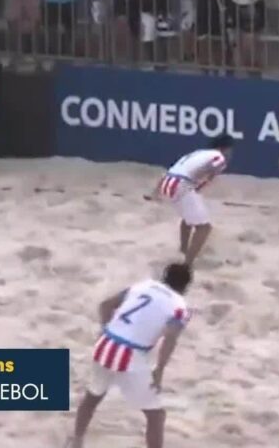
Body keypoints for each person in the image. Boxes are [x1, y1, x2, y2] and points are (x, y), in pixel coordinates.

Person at [70, 263, 193, 448]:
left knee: (93, 396)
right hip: (130, 355)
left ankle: (77, 440)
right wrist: (159, 370)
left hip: (106, 344)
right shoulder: (179, 306)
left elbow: (105, 305)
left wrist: (105, 329)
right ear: (186, 286)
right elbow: (170, 340)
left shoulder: (143, 286)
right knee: (156, 415)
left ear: (164, 276)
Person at [148, 135, 235, 264]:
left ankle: (184, 250)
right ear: (227, 148)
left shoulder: (197, 153)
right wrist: (199, 187)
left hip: (167, 182)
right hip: (181, 184)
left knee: (188, 219)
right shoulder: (219, 157)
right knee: (204, 228)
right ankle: (188, 263)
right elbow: (209, 177)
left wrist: (156, 192)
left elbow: (174, 169)